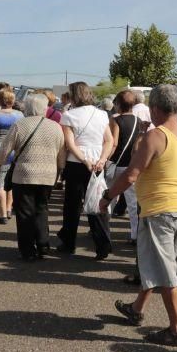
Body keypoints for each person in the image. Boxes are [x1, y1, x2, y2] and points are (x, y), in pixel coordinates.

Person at [104, 84, 177, 347]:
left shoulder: (155, 136)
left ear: (156, 109)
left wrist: (106, 197)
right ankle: (136, 309)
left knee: (166, 270)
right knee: (156, 260)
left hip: (160, 210)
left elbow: (131, 174)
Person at [0, 94, 66, 260]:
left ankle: (27, 250)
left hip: (23, 175)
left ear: (27, 108)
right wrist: (59, 173)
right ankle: (43, 244)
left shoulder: (20, 125)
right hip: (47, 175)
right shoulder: (55, 127)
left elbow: (5, 150)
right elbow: (61, 156)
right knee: (42, 209)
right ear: (44, 108)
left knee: (25, 212)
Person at [59, 81, 115, 258]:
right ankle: (102, 245)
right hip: (98, 163)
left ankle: (69, 243)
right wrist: (102, 159)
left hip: (76, 163)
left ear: (73, 96)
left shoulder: (68, 116)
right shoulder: (102, 114)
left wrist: (84, 160)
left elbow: (70, 143)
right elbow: (109, 140)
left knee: (72, 206)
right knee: (97, 203)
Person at [108, 90, 142, 241]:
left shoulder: (115, 120)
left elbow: (114, 143)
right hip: (132, 165)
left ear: (118, 104)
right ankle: (135, 234)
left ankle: (104, 229)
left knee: (109, 197)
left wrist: (105, 159)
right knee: (133, 204)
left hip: (116, 164)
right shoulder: (139, 121)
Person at [0, 89, 23, 224]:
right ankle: (8, 209)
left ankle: (2, 215)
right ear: (12, 100)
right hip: (14, 150)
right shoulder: (20, 115)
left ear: (0, 100)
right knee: (11, 181)